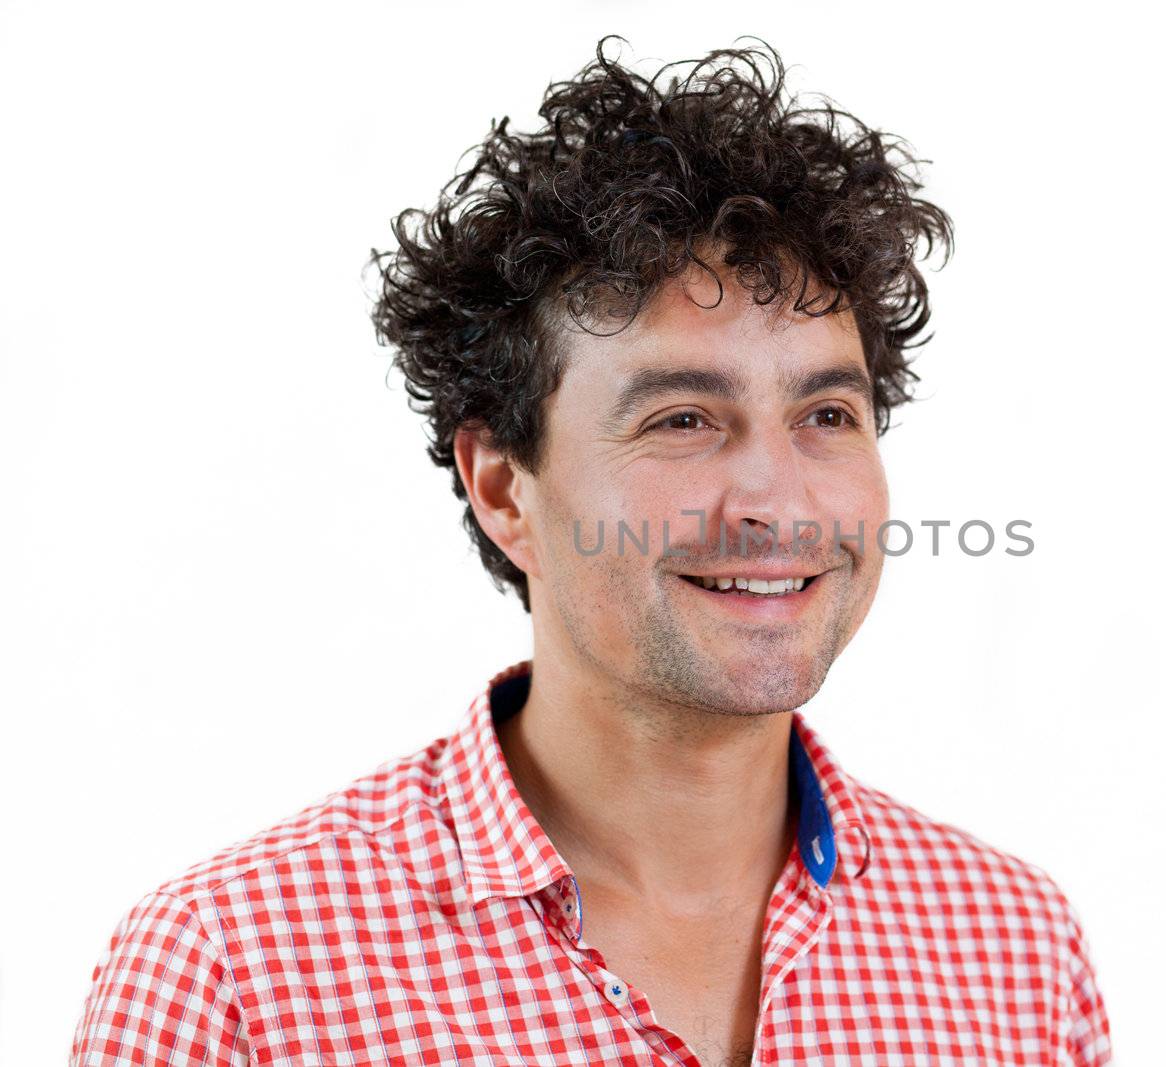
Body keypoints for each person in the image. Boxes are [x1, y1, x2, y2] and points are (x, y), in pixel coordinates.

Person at [70, 36, 1113, 1066]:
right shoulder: (236, 975)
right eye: (681, 419)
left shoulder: (1017, 951)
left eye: (828, 413)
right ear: (502, 487)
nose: (775, 498)